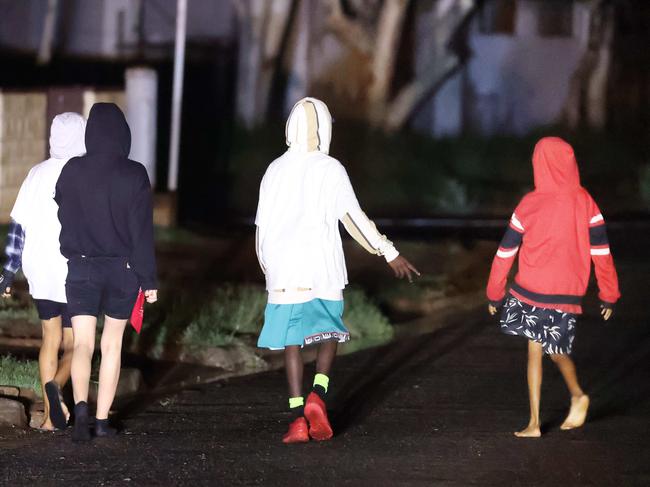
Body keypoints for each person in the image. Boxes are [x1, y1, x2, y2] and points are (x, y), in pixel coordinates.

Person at [255, 97, 420, 444]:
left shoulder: (274, 169)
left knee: (292, 343)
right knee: (330, 332)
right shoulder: (331, 169)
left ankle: (297, 416)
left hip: (285, 269)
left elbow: (262, 228)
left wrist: (270, 268)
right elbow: (353, 218)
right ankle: (319, 392)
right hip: (322, 265)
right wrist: (388, 252)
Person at [486, 136, 620, 438]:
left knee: (553, 350)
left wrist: (494, 290)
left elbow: (505, 251)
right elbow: (601, 252)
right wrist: (608, 293)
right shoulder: (585, 202)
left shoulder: (530, 203)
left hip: (536, 289)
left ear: (539, 163)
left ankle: (577, 394)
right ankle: (534, 422)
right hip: (548, 290)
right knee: (538, 350)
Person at [54, 103, 158, 442]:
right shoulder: (135, 174)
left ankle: (80, 413)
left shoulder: (71, 170)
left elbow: (63, 211)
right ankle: (102, 422)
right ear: (123, 134)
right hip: (122, 271)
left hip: (81, 266)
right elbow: (142, 233)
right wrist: (149, 279)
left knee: (82, 343)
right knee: (112, 344)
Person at [1, 112, 86, 431]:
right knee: (77, 343)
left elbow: (17, 228)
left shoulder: (35, 173)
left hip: (41, 270)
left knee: (49, 339)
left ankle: (51, 416)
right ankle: (58, 386)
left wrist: (8, 273)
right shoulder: (85, 174)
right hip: (76, 269)